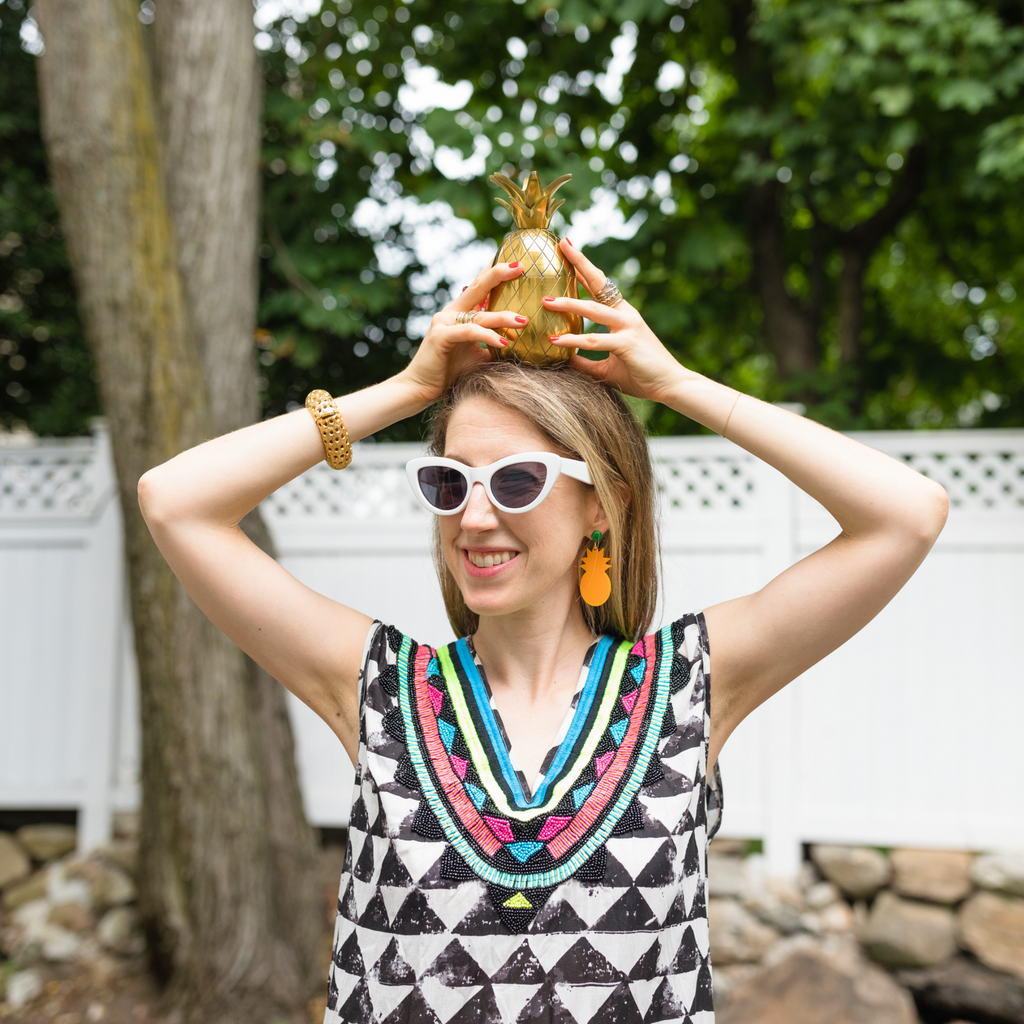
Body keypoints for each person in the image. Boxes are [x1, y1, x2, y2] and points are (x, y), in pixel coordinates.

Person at [138, 239, 948, 1024]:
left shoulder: (691, 685)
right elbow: (175, 500)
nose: (474, 515)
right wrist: (407, 389)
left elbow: (906, 516)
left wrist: (679, 385)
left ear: (603, 502)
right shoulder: (379, 687)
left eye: (517, 481)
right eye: (449, 481)